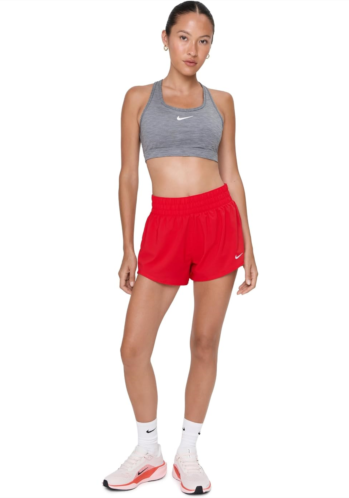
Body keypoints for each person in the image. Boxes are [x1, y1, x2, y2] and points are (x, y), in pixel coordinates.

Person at [103, 1, 258, 494]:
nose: (193, 49)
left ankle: (187, 452)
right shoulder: (138, 98)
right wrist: (127, 246)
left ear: (212, 47)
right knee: (133, 348)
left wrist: (250, 244)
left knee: (204, 342)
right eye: (184, 37)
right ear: (165, 38)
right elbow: (128, 175)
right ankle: (148, 451)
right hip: (165, 226)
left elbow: (232, 173)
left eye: (203, 40)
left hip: (218, 223)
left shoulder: (223, 101)